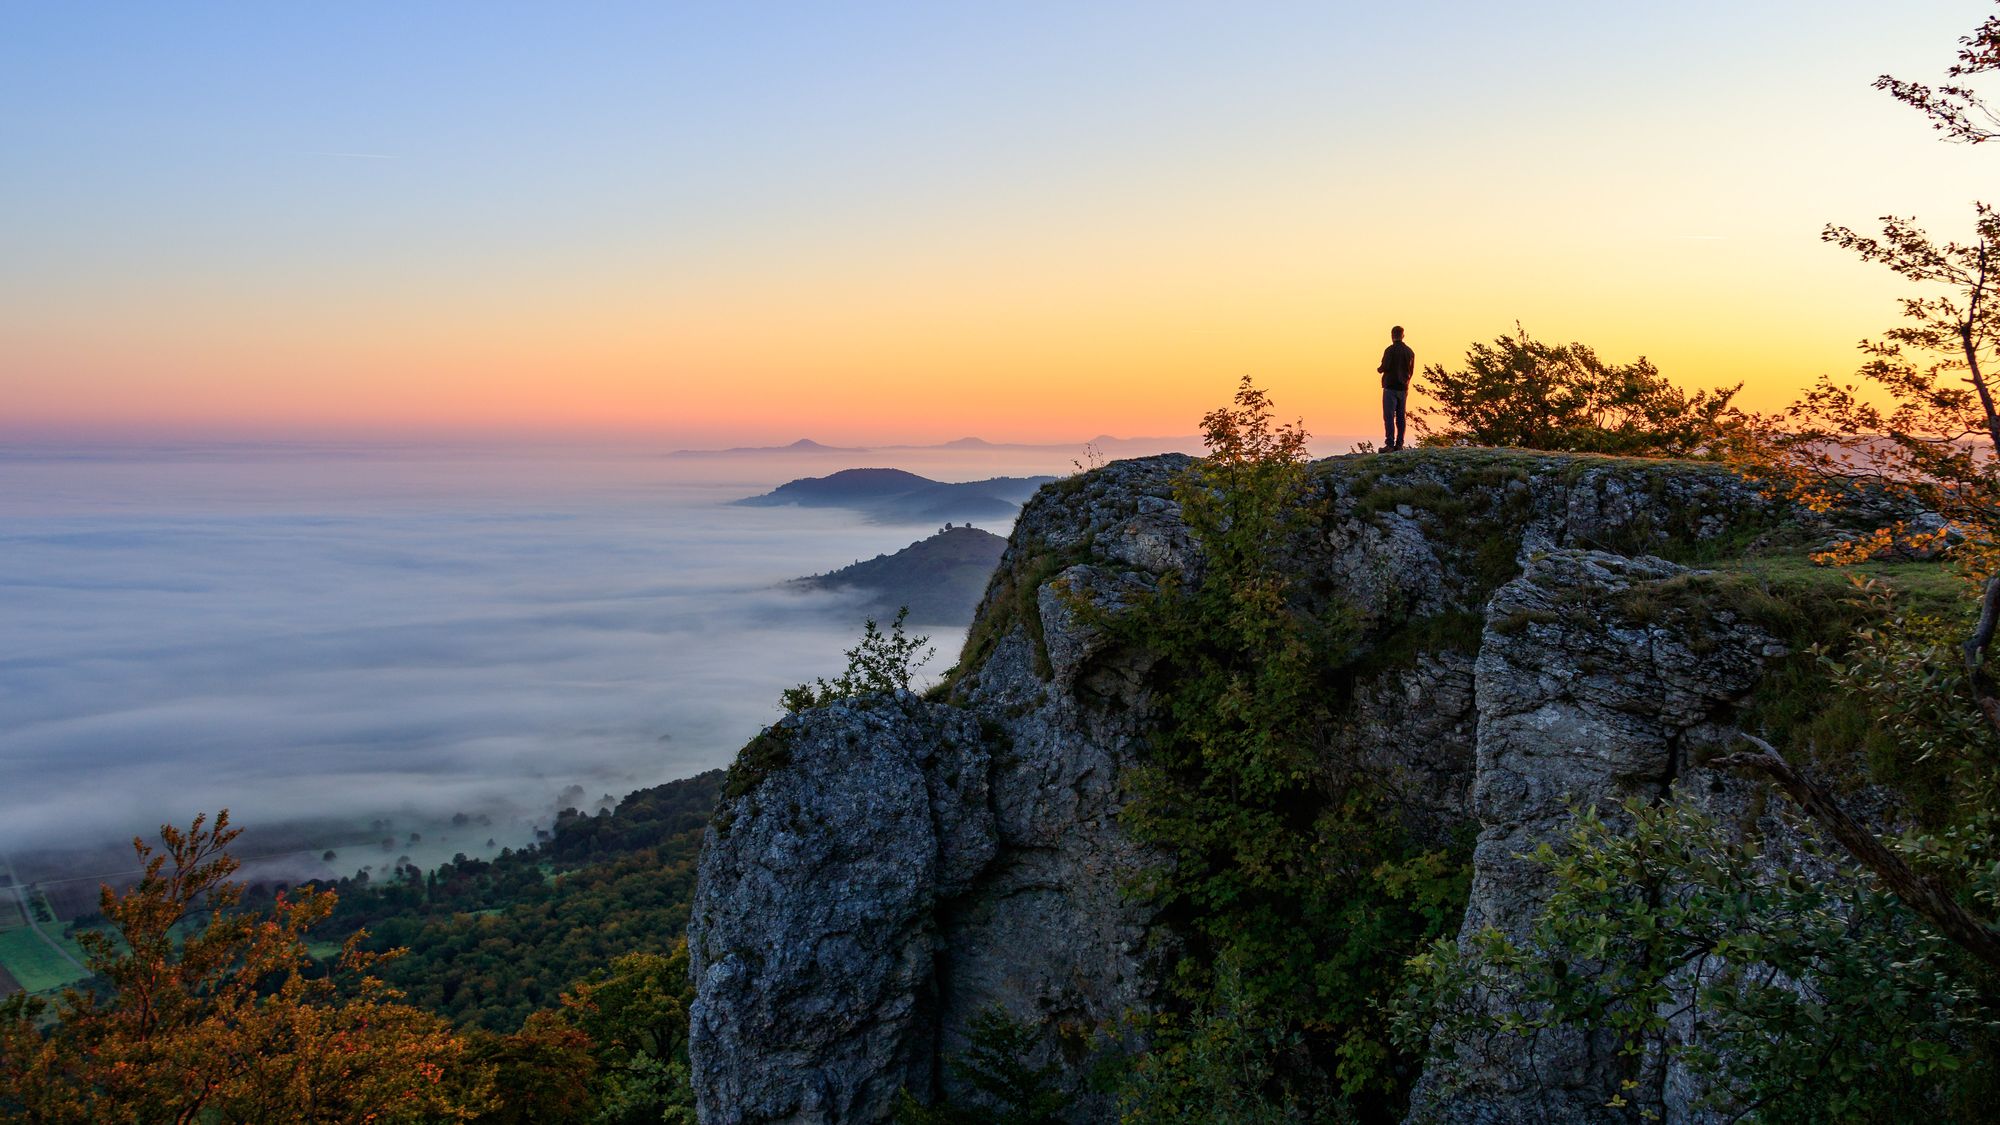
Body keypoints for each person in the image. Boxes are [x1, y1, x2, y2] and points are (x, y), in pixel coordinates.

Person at [1377, 325, 1415, 451]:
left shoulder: (1390, 350)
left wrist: (1379, 369)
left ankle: (1389, 444)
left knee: (1389, 416)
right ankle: (1400, 444)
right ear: (1403, 335)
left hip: (1390, 387)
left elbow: (1385, 366)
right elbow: (1411, 371)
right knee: (1400, 416)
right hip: (1403, 388)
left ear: (1392, 335)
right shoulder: (1410, 352)